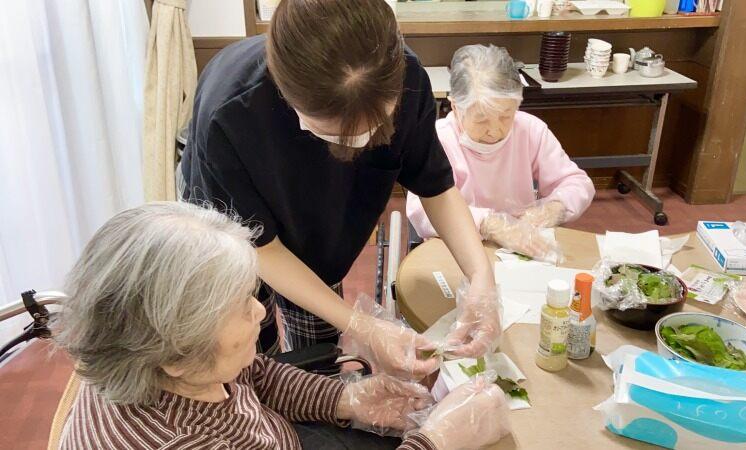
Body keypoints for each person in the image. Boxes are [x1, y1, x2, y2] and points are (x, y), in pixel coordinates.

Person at [179, 0, 499, 377]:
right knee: (249, 347)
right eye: (334, 133)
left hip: (321, 227)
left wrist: (482, 278)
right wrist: (363, 325)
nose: (357, 145)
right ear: (287, 96)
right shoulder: (230, 112)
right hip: (233, 233)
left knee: (318, 354)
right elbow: (260, 247)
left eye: (375, 127)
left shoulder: (407, 77)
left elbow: (436, 186)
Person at [54, 202, 511, 450]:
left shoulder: (156, 349)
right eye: (238, 308)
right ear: (175, 357)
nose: (259, 311)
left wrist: (345, 398)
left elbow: (254, 373)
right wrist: (436, 443)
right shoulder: (181, 441)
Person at [407, 44, 595, 259]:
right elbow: (420, 210)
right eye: (481, 119)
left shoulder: (530, 130)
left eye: (506, 116)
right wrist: (491, 224)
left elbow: (577, 183)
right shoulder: (438, 139)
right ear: (456, 106)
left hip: (521, 246)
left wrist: (554, 207)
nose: (495, 130)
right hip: (458, 247)